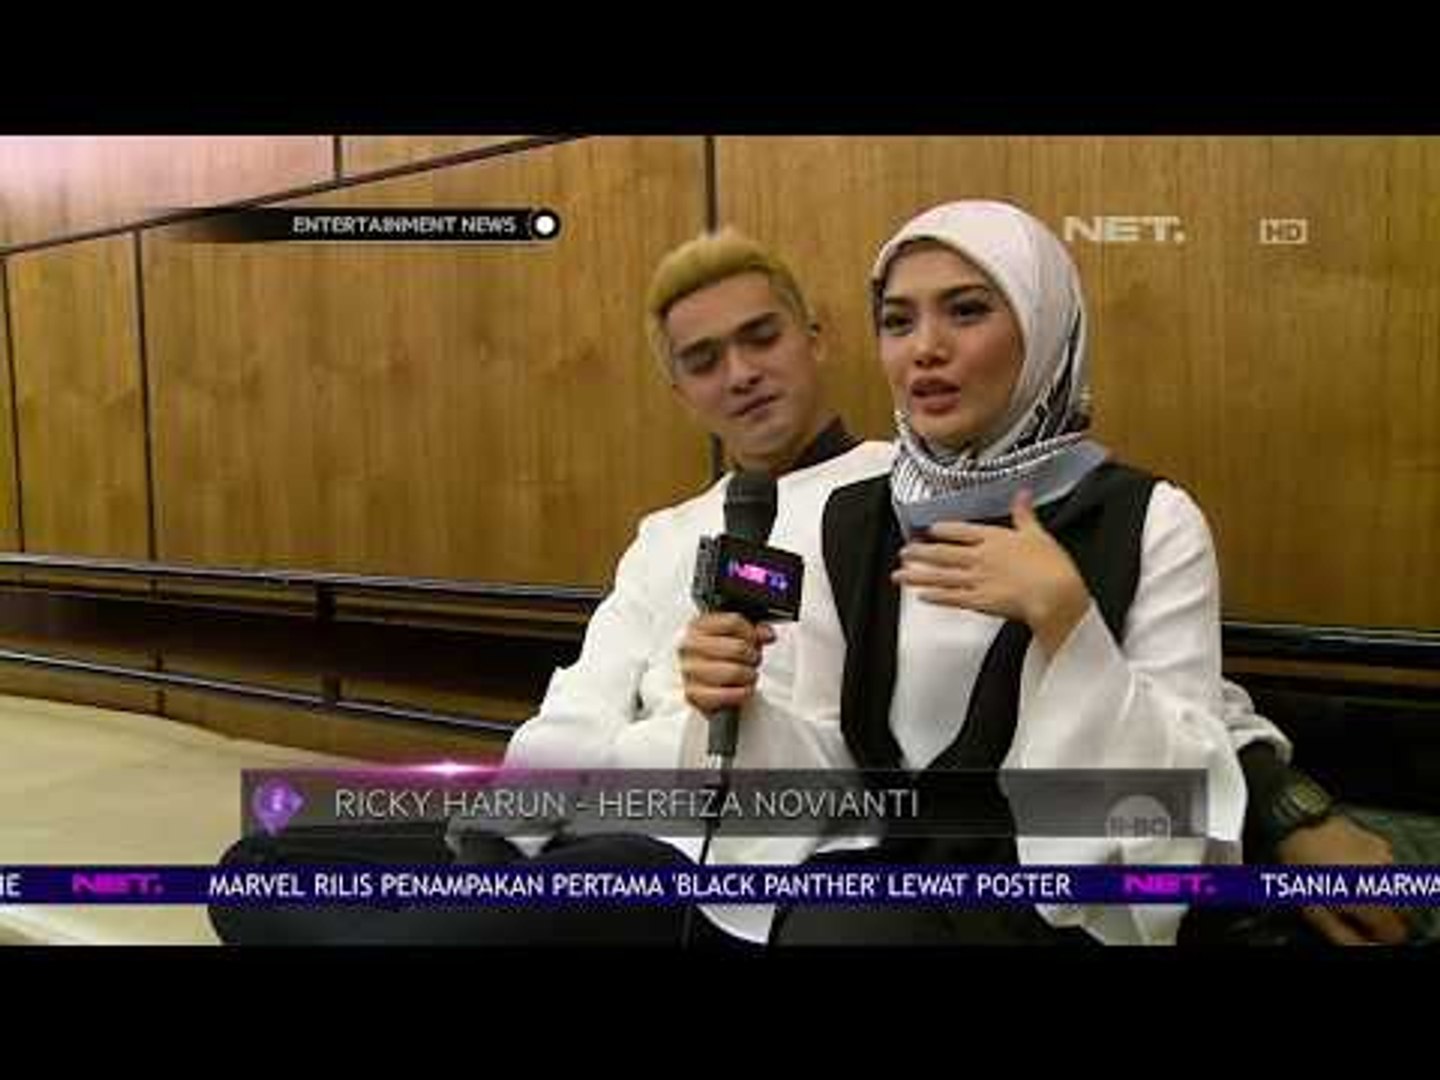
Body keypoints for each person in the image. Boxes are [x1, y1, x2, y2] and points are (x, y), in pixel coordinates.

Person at [680, 199, 1414, 946]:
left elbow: (1177, 798)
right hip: (890, 882)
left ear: (1043, 326)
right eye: (898, 322)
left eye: (967, 311)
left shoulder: (1148, 519)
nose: (926, 349)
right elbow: (831, 765)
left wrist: (1066, 620)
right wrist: (739, 703)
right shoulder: (849, 520)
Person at [208, 226, 894, 946]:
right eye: (704, 361)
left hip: (707, 857)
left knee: (411, 936)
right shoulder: (666, 532)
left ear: (814, 339)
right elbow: (585, 703)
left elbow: (871, 744)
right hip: (588, 825)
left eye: (761, 338)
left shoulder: (886, 495)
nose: (741, 373)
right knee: (254, 868)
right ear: (682, 393)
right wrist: (496, 846)